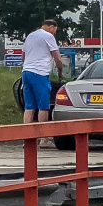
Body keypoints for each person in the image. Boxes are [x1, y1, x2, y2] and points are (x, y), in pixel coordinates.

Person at [21, 19, 64, 148]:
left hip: (26, 72)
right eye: (55, 30)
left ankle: (27, 139)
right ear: (51, 27)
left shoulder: (30, 36)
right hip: (40, 73)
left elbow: (23, 56)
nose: (54, 34)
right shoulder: (48, 36)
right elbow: (57, 57)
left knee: (29, 106)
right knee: (43, 106)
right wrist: (60, 72)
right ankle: (44, 138)